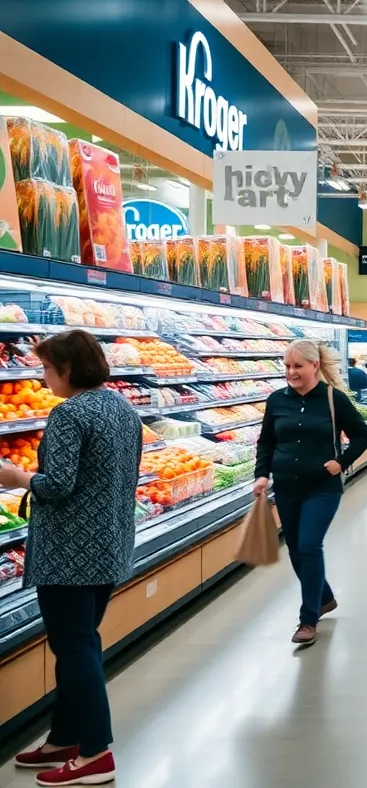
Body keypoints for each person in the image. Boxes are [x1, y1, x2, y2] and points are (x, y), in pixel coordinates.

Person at [3, 331, 141, 786]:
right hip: (109, 545)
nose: (42, 378)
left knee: (75, 645)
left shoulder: (69, 415)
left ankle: (96, 752)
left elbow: (57, 484)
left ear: (67, 368)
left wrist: (17, 476)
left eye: (46, 368)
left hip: (69, 555)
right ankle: (64, 736)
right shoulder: (122, 407)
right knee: (78, 641)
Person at [254, 340, 367, 648]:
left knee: (308, 545)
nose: (291, 373)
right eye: (288, 367)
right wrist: (261, 476)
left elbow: (362, 435)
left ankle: (308, 619)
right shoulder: (277, 400)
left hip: (322, 487)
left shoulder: (335, 399)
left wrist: (341, 462)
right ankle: (325, 598)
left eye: (298, 366)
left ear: (315, 366)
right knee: (294, 550)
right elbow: (266, 442)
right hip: (286, 486)